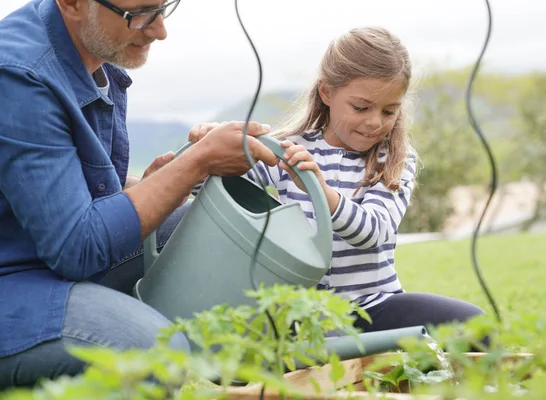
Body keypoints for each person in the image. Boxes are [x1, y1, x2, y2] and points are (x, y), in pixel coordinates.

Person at [0, 0, 278, 389]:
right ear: (73, 3)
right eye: (140, 13)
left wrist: (151, 186)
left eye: (164, 7)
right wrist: (195, 164)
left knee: (232, 237)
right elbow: (76, 249)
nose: (160, 30)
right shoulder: (19, 78)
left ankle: (229, 373)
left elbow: (56, 195)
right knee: (158, 353)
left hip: (44, 257)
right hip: (14, 281)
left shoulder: (96, 53)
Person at [191, 26, 486, 334]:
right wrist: (204, 150)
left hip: (373, 308)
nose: (375, 122)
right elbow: (211, 191)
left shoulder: (394, 159)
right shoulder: (287, 149)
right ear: (326, 92)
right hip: (299, 314)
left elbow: (373, 231)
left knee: (474, 325)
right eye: (361, 107)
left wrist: (318, 189)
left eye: (389, 111)